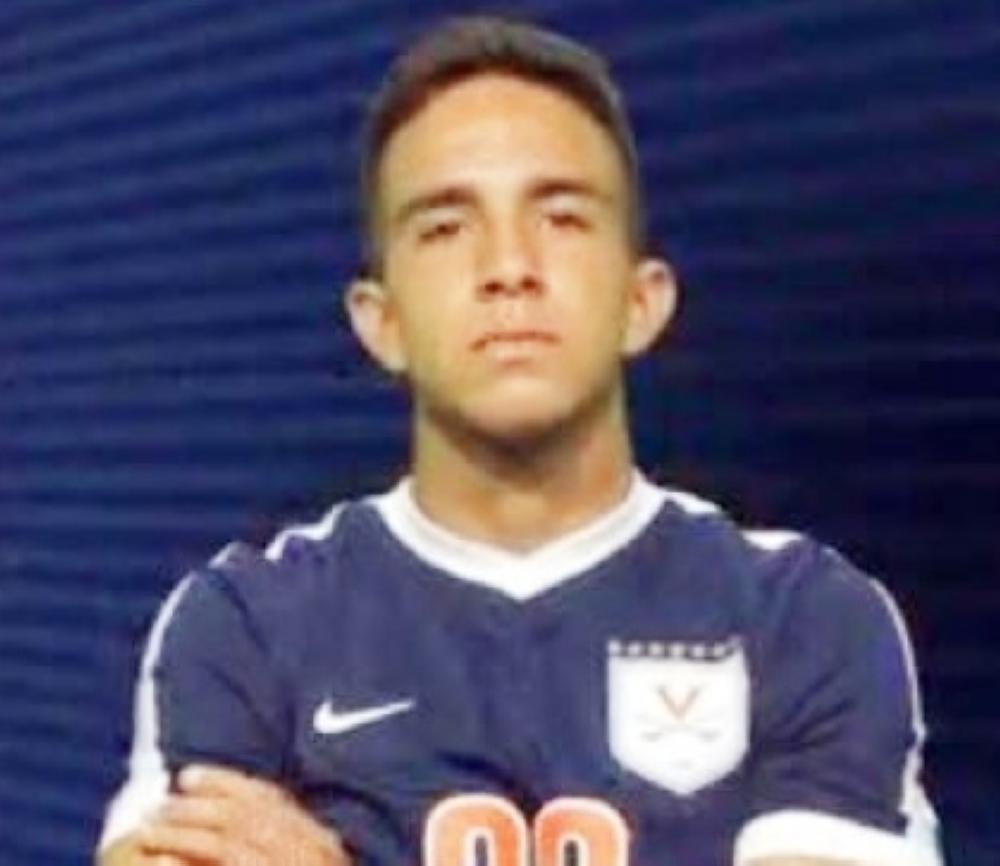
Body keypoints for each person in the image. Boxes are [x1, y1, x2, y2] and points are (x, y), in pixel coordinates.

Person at [96, 15, 942, 866]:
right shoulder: (246, 622)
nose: (509, 267)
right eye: (445, 227)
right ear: (380, 322)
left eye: (563, 218)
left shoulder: (807, 619)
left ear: (641, 301)